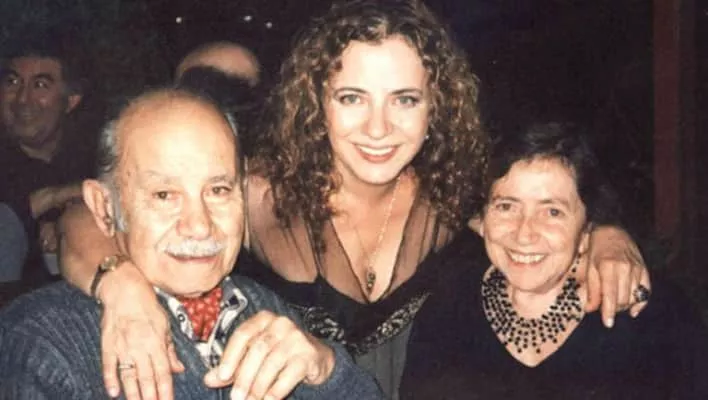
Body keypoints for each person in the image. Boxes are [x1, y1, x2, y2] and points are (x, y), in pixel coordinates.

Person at [59, 1, 650, 398]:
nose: (378, 128)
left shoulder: (453, 191)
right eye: (352, 98)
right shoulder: (257, 194)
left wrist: (606, 232)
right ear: (316, 102)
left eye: (404, 100)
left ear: (436, 108)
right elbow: (83, 216)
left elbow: (548, 202)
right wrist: (120, 284)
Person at [0, 88, 383, 400]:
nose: (199, 227)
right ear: (104, 207)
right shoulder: (45, 339)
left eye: (218, 190)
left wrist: (327, 369)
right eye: (164, 195)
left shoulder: (265, 309)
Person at [400, 123, 708, 399]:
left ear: (588, 225)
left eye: (552, 212)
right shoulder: (447, 310)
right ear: (482, 219)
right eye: (506, 206)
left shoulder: (653, 317)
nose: (524, 233)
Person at [0, 31, 94, 283]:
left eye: (40, 85)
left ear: (71, 101)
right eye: (12, 82)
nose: (23, 99)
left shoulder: (95, 158)